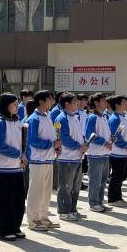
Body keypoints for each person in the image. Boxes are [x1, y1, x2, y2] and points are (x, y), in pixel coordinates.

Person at [0, 93, 27, 241]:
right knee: (5, 200)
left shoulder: (17, 120)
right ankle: (4, 230)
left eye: (17, 103)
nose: (16, 106)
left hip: (17, 166)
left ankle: (15, 226)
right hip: (4, 167)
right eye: (13, 103)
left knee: (18, 200)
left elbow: (23, 142)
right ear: (5, 105)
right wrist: (19, 154)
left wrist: (24, 155)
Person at [24, 90, 59, 231]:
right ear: (41, 101)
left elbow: (51, 136)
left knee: (46, 191)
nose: (52, 102)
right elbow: (32, 140)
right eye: (49, 99)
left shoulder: (47, 116)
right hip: (37, 160)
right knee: (36, 191)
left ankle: (43, 217)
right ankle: (33, 220)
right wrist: (51, 144)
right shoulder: (34, 119)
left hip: (48, 159)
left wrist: (56, 147)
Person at [54, 92, 88, 222]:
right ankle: (64, 211)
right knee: (66, 186)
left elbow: (79, 134)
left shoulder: (75, 116)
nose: (77, 103)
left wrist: (84, 143)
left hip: (77, 157)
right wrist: (79, 146)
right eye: (75, 101)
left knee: (75, 187)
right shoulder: (61, 118)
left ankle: (72, 209)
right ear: (67, 104)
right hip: (67, 158)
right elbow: (64, 138)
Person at [83, 92, 113, 213]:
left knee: (102, 180)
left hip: (105, 153)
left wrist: (110, 140)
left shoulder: (104, 116)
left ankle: (100, 202)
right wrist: (104, 142)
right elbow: (89, 134)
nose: (106, 103)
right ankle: (93, 203)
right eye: (103, 101)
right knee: (95, 180)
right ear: (96, 103)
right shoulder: (92, 117)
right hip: (95, 154)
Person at [107, 95, 127, 206]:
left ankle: (118, 197)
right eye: (124, 103)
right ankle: (113, 199)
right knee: (117, 176)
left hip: (125, 153)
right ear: (117, 105)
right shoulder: (115, 118)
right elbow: (115, 135)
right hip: (117, 153)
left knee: (122, 176)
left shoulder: (123, 116)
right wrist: (126, 145)